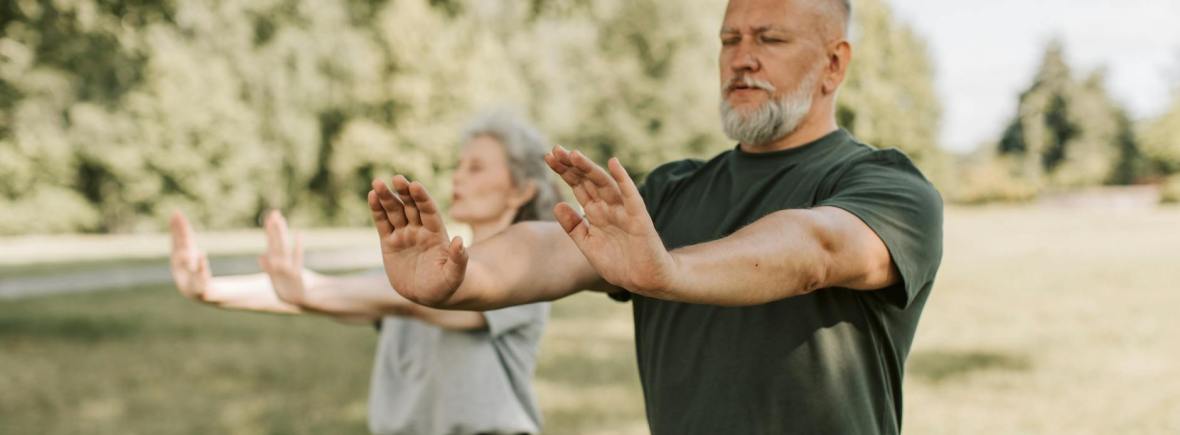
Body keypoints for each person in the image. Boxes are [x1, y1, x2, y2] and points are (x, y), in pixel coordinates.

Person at [366, 0, 944, 433]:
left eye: (770, 39)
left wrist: (670, 272)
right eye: (729, 38)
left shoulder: (888, 187)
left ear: (834, 64)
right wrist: (460, 279)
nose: (742, 58)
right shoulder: (672, 191)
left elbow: (817, 249)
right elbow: (551, 248)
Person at [170, 110, 560, 435]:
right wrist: (209, 289)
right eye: (459, 165)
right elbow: (342, 294)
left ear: (521, 190)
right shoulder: (415, 269)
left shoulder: (524, 274)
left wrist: (305, 290)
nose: (458, 176)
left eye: (476, 168)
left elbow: (415, 302)